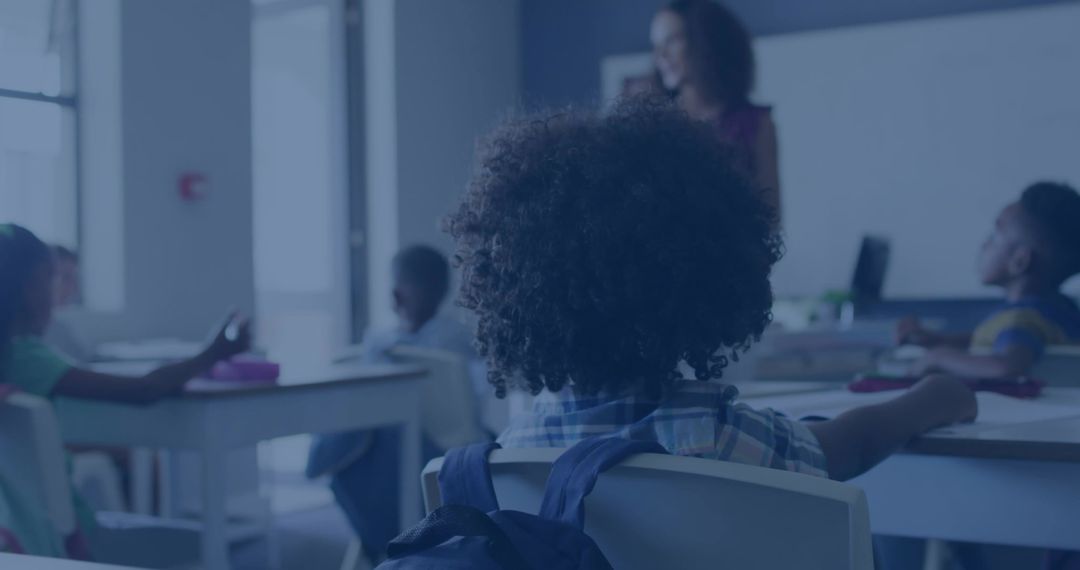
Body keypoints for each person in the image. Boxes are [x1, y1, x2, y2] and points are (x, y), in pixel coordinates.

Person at [444, 97, 976, 483]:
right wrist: (932, 397)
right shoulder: (715, 437)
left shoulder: (512, 456)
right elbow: (851, 445)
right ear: (707, 276)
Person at [0, 223, 251, 558]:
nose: (55, 291)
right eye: (51, 278)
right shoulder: (26, 357)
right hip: (74, 540)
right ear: (27, 287)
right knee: (208, 542)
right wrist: (214, 353)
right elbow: (145, 390)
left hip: (22, 535)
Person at [307, 245, 481, 566]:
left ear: (433, 291)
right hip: (389, 441)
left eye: (405, 285)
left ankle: (393, 544)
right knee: (350, 462)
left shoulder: (453, 340)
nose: (395, 294)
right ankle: (389, 541)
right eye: (394, 284)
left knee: (364, 445)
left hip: (439, 444)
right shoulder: (383, 340)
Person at [898, 182, 1080, 378]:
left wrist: (938, 357)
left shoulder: (1020, 319)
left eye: (995, 235)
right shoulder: (1059, 310)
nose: (985, 244)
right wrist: (940, 341)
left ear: (1019, 261)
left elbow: (1007, 367)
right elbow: (1000, 338)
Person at [649, 0, 781, 220]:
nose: (660, 56)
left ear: (704, 41)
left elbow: (771, 217)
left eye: (671, 40)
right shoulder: (655, 125)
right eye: (655, 45)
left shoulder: (757, 124)